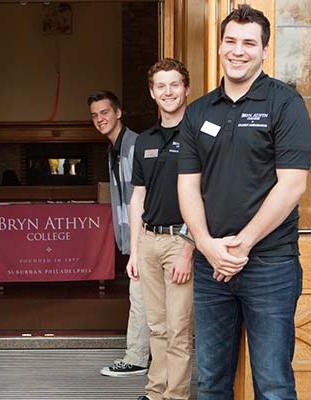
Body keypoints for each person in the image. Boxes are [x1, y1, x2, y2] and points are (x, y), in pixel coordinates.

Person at [177, 5, 311, 399]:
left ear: (264, 51)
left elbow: (291, 186)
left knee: (272, 382)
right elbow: (187, 186)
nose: (239, 51)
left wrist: (243, 244)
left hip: (270, 264)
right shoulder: (199, 111)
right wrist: (206, 245)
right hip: (210, 266)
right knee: (212, 381)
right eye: (231, 41)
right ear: (220, 46)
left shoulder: (285, 104)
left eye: (249, 43)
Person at [128, 59, 194, 400]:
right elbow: (138, 196)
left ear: (186, 88)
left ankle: (176, 396)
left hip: (180, 241)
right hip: (150, 241)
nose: (168, 92)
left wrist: (189, 248)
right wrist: (135, 249)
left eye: (174, 84)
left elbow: (208, 197)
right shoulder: (144, 141)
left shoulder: (198, 135)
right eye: (161, 86)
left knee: (178, 329)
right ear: (152, 93)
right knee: (156, 327)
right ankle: (155, 393)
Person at [87, 90, 150, 377]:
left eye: (105, 112)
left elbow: (142, 198)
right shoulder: (113, 148)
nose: (100, 118)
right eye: (95, 114)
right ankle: (146, 358)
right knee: (144, 298)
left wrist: (137, 244)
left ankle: (136, 358)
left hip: (146, 236)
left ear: (118, 112)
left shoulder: (135, 145)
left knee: (139, 298)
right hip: (133, 238)